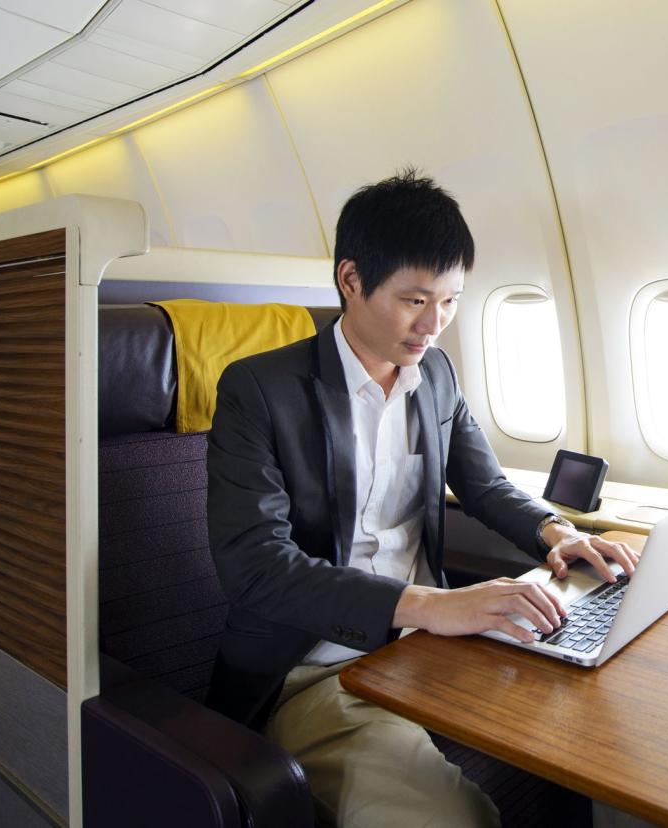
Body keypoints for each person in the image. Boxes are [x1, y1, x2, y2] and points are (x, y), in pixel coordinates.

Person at [204, 170, 639, 827]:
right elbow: (256, 567)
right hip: (315, 669)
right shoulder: (261, 392)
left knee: (609, 728)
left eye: (452, 301)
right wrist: (435, 607)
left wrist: (558, 534)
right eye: (413, 300)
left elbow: (485, 484)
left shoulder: (433, 373)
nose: (433, 324)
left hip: (432, 651)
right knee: (451, 817)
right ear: (351, 280)